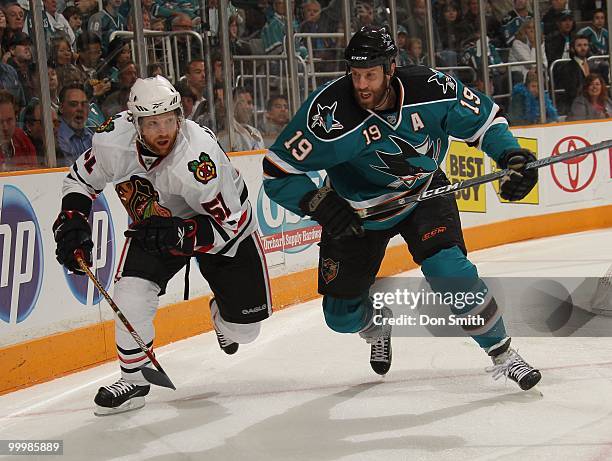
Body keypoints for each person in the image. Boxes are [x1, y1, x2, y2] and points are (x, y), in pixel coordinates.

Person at [263, 26, 541, 390]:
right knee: (340, 318)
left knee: (449, 271)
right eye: (355, 74)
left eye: (370, 75)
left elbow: (485, 121)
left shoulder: (431, 88)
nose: (361, 84)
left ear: (390, 69)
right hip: (356, 213)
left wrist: (510, 154)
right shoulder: (327, 113)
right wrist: (319, 203)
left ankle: (503, 353)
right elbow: (277, 172)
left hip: (423, 193)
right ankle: (376, 324)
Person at [52, 76, 272, 415]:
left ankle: (222, 316)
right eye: (152, 123)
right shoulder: (113, 141)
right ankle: (135, 380)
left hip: (216, 227)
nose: (163, 131)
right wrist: (73, 218)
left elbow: (233, 224)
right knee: (131, 293)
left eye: (169, 120)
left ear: (180, 116)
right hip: (154, 225)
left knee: (246, 331)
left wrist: (181, 234)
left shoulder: (199, 160)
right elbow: (81, 178)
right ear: (135, 123)